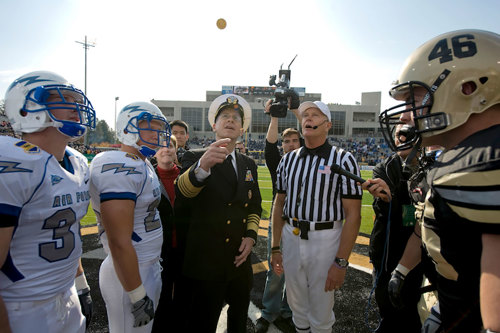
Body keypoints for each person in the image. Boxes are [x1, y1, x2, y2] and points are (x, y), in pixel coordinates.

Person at [378, 29, 500, 332]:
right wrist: (404, 270)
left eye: (414, 98)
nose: (406, 115)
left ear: (467, 88)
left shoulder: (482, 163)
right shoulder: (455, 159)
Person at [0, 70, 96, 332]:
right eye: (62, 99)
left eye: (77, 101)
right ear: (26, 109)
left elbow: (71, 228)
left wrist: (82, 285)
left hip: (66, 295)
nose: (76, 108)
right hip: (22, 307)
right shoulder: (12, 161)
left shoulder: (77, 162)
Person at [271, 100, 362, 333]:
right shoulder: (287, 160)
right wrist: (274, 247)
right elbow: (279, 202)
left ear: (328, 124)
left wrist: (341, 261)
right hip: (291, 236)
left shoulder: (343, 159)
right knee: (296, 305)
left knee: (321, 310)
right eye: (305, 115)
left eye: (314, 115)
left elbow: (353, 214)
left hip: (325, 238)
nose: (308, 119)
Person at [175, 94, 262, 332]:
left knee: (238, 322)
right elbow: (182, 195)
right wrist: (202, 168)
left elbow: (254, 206)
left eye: (236, 118)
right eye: (225, 116)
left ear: (242, 128)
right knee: (202, 323)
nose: (231, 120)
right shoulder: (195, 156)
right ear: (214, 125)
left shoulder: (248, 164)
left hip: (239, 261)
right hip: (206, 263)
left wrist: (251, 236)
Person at [89, 101, 171, 332]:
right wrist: (137, 294)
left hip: (146, 264)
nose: (158, 133)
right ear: (127, 128)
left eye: (159, 126)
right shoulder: (118, 164)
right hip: (128, 271)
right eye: (150, 126)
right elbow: (118, 240)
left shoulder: (143, 163)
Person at [367, 124, 425, 333]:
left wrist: (397, 198)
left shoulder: (432, 167)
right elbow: (392, 212)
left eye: (407, 132)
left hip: (419, 253)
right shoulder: (385, 167)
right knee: (385, 301)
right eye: (398, 133)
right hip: (386, 249)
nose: (401, 136)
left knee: (414, 309)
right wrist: (390, 199)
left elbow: (413, 215)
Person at [255, 101, 302, 333]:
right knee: (276, 270)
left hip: (304, 223)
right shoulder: (279, 162)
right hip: (281, 219)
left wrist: (296, 109)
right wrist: (274, 116)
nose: (291, 145)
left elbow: (315, 136)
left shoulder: (309, 160)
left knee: (297, 271)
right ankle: (269, 311)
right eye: (287, 141)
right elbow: (269, 144)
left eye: (295, 141)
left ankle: (288, 310)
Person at [149, 135, 184, 332]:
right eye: (161, 146)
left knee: (183, 296)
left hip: (184, 247)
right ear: (155, 151)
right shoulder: (147, 177)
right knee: (160, 297)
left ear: (176, 150)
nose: (166, 149)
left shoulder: (187, 176)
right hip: (159, 249)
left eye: (170, 145)